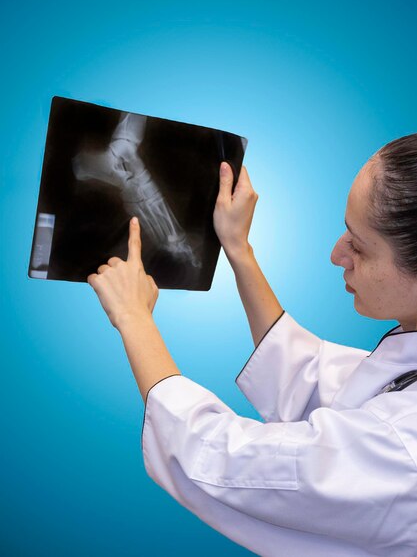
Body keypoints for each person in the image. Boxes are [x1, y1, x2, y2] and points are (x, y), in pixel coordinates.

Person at [87, 133, 417, 557]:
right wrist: (238, 248)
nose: (337, 254)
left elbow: (219, 458)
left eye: (359, 245)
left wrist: (133, 318)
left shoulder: (400, 450)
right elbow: (311, 376)